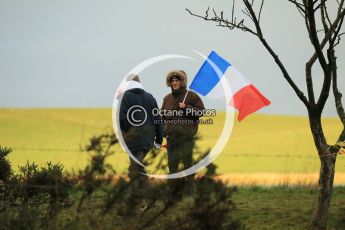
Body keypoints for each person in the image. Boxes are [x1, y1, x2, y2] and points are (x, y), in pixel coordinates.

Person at [119, 74, 163, 180]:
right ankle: (139, 188)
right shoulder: (150, 97)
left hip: (132, 139)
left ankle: (141, 186)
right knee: (137, 164)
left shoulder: (124, 97)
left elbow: (121, 119)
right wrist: (159, 140)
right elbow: (158, 120)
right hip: (148, 139)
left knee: (135, 166)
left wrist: (126, 134)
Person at [161, 70, 205, 175]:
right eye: (172, 81)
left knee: (188, 165)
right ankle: (173, 189)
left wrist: (186, 107)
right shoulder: (167, 98)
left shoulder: (192, 96)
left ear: (182, 82)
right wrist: (165, 133)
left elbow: (201, 111)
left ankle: (190, 189)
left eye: (177, 80)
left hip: (186, 137)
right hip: (171, 137)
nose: (174, 83)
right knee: (172, 166)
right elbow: (161, 118)